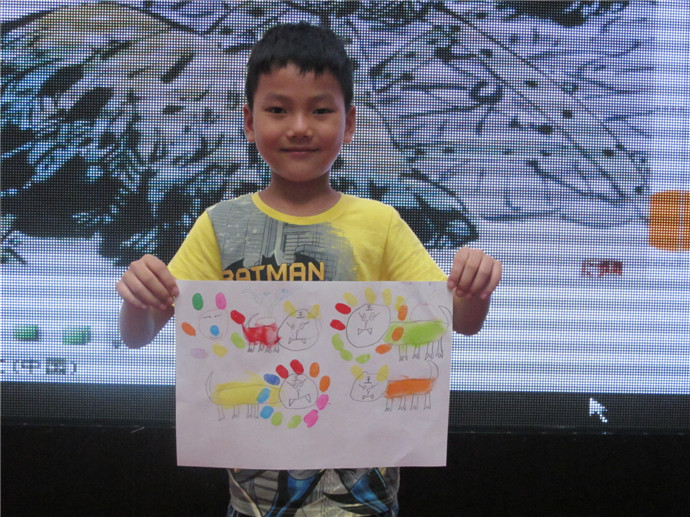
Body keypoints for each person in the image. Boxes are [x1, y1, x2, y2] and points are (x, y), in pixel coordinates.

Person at [117, 22, 501, 517]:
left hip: (361, 500)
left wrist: (473, 286)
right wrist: (138, 299)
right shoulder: (220, 226)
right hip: (255, 501)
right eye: (278, 110)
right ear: (249, 122)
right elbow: (139, 335)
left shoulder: (381, 224)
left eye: (320, 110)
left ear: (349, 122)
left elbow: (459, 321)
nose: (299, 127)